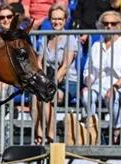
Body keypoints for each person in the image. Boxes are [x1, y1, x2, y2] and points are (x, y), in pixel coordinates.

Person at [81, 10, 121, 145]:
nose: (109, 26)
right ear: (101, 26)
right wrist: (88, 80)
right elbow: (89, 70)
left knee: (112, 95)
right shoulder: (96, 45)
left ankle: (116, 129)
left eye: (113, 23)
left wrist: (115, 86)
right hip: (98, 85)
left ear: (119, 26)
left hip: (120, 86)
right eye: (105, 23)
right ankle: (94, 129)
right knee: (85, 95)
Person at [32, 3, 78, 144]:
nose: (56, 22)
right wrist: (40, 79)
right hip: (48, 80)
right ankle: (39, 133)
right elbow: (39, 61)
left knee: (47, 95)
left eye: (60, 19)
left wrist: (50, 83)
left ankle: (50, 135)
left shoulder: (70, 38)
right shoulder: (45, 37)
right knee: (35, 96)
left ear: (65, 20)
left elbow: (65, 66)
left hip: (67, 82)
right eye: (53, 19)